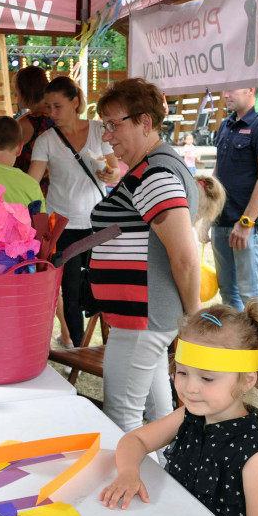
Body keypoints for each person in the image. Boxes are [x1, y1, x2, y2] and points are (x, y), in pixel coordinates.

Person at [100, 301, 258, 516]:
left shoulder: (254, 458)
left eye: (207, 379)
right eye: (182, 372)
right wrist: (129, 472)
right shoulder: (190, 416)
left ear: (246, 379)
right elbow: (135, 440)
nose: (190, 388)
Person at [90, 77, 201, 433]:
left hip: (143, 319)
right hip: (142, 317)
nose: (107, 135)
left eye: (113, 124)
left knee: (121, 420)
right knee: (159, 418)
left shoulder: (155, 173)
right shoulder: (149, 168)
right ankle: (168, 482)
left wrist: (194, 314)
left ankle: (134, 488)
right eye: (104, 125)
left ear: (145, 122)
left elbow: (184, 255)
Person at [28, 76, 120, 347]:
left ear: (75, 102)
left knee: (101, 284)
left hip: (96, 222)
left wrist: (109, 173)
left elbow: (114, 171)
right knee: (69, 291)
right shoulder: (45, 139)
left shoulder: (98, 130)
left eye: (57, 106)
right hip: (62, 224)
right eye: (48, 107)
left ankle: (109, 343)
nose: (52, 113)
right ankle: (77, 348)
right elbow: (32, 182)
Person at [212, 88, 258, 310]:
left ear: (251, 89)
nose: (225, 94)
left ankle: (256, 343)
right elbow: (217, 173)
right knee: (227, 292)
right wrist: (207, 216)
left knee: (249, 293)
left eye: (232, 89)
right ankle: (236, 343)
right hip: (221, 221)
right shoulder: (226, 124)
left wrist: (246, 222)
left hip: (246, 225)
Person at [13, 66, 55, 194]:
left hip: (30, 191)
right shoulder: (57, 116)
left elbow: (5, 157)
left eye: (17, 90)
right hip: (56, 190)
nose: (15, 95)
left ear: (27, 90)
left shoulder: (26, 123)